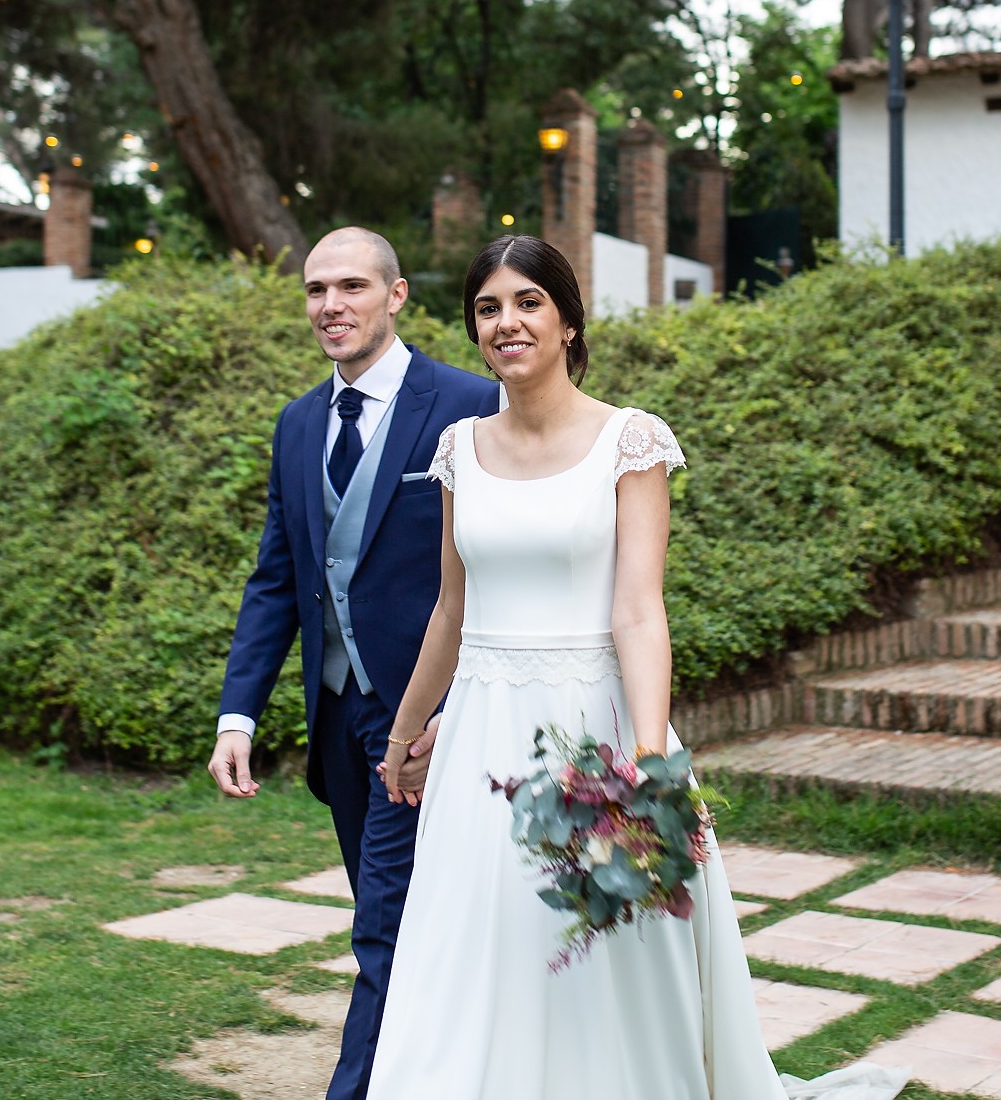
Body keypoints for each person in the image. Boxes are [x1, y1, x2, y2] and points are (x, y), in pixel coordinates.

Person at [369, 237, 906, 1100]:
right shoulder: (459, 448)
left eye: (528, 302)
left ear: (569, 321)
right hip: (479, 735)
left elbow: (639, 610)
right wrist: (404, 735)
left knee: (603, 952)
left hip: (595, 726)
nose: (507, 322)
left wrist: (647, 767)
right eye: (488, 307)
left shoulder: (630, 440)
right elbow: (451, 609)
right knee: (478, 936)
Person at [211, 227, 499, 1100]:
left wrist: (458, 705)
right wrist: (238, 714)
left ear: (397, 295)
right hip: (337, 716)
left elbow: (497, 570)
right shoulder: (297, 423)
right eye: (315, 289)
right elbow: (276, 578)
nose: (330, 305)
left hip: (430, 721)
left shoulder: (470, 403)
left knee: (381, 922)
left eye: (351, 286)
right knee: (404, 920)